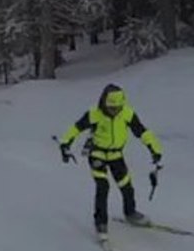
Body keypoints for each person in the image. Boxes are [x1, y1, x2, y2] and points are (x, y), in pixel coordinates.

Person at [58, 83, 163, 237]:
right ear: (104, 103)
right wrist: (65, 144)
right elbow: (76, 128)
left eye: (117, 108)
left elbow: (142, 132)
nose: (114, 111)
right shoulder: (94, 114)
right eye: (111, 108)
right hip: (97, 155)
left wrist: (155, 150)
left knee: (126, 185)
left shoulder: (127, 114)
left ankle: (130, 212)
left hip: (116, 155)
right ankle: (100, 222)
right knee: (103, 186)